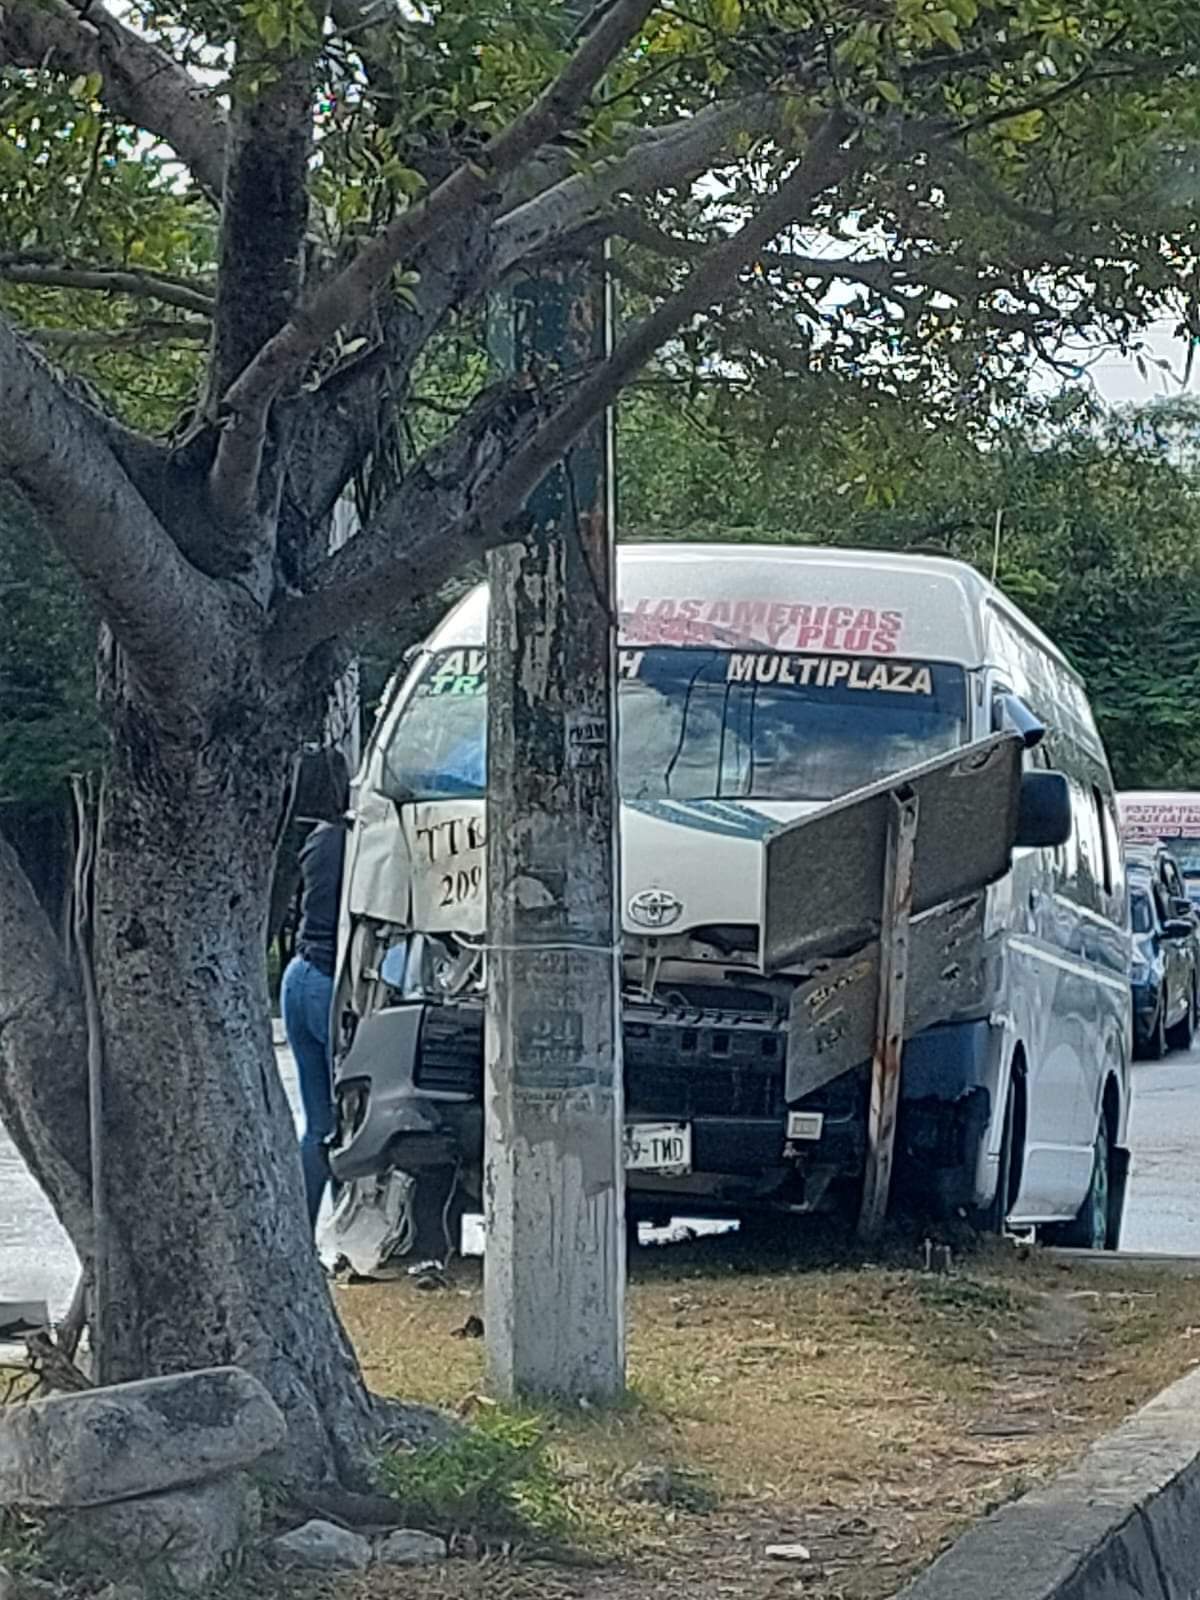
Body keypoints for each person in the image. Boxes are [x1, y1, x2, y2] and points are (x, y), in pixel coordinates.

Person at [281, 799, 349, 1229]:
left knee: (318, 1124)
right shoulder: (365, 841)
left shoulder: (320, 838)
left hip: (298, 976)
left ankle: (302, 1236)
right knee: (350, 1124)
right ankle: (348, 1231)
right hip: (331, 983)